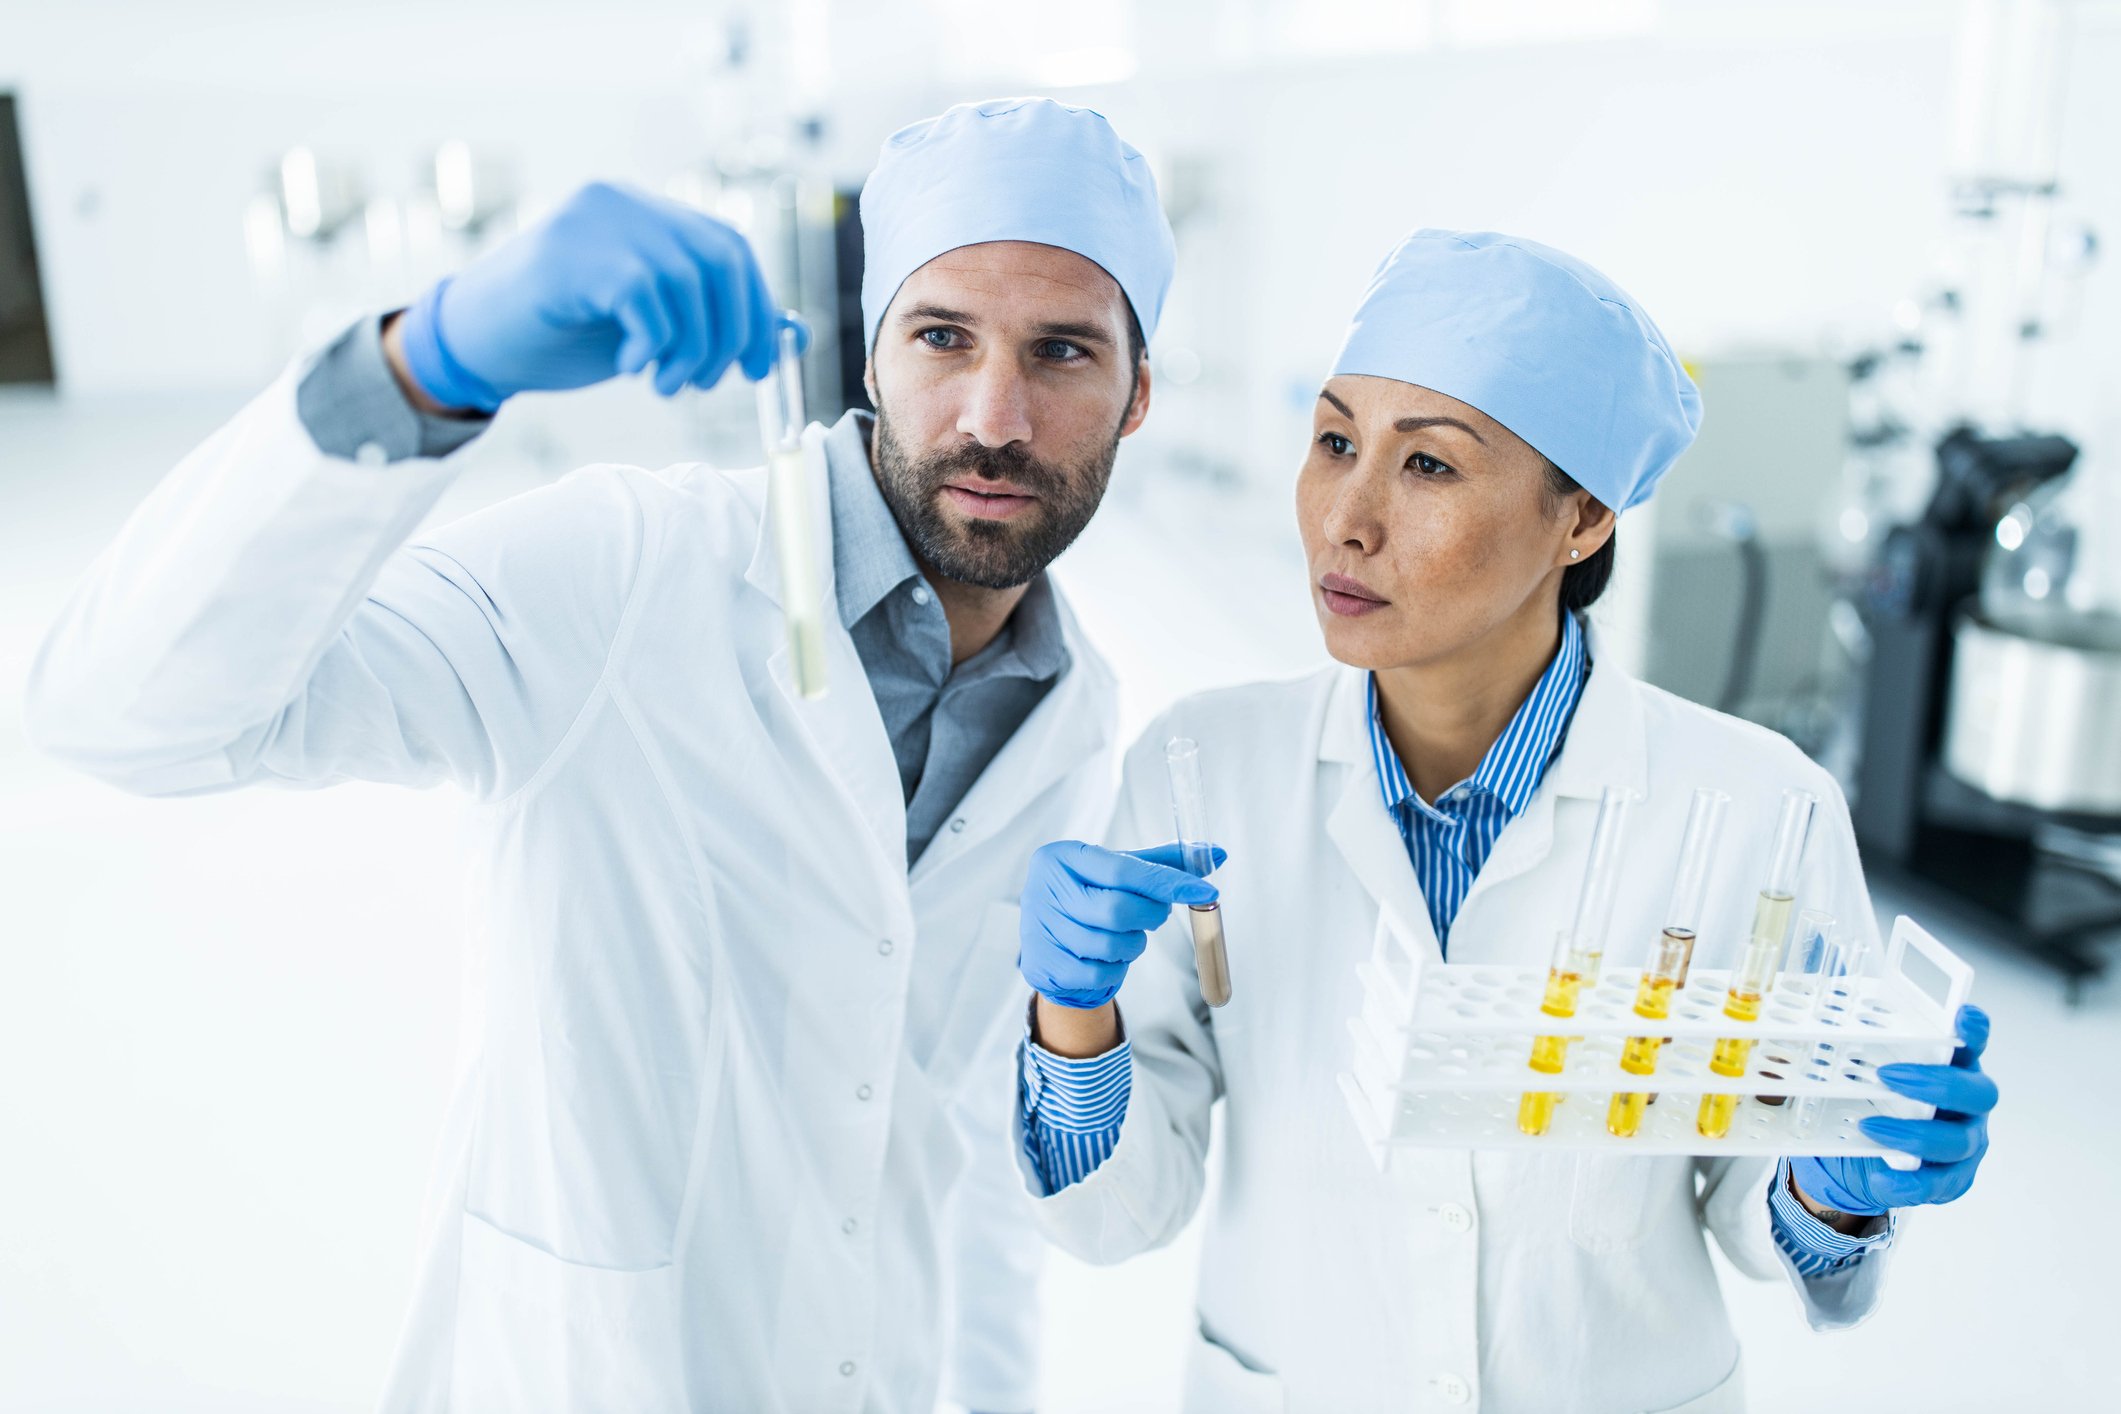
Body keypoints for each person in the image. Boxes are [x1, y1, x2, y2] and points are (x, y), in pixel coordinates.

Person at [26, 97, 1174, 1414]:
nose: (996, 414)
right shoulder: (629, 572)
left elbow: (966, 1146)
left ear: (1138, 395)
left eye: (1064, 352)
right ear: (870, 355)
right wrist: (421, 367)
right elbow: (130, 711)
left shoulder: (1070, 717)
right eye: (942, 336)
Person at [1010, 231, 1998, 1412]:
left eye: (1427, 467)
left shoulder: (1758, 809)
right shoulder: (1200, 765)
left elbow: (1762, 1218)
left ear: (1580, 519)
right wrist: (1073, 1014)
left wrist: (1839, 1181)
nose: (1347, 519)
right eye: (1335, 443)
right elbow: (1125, 1209)